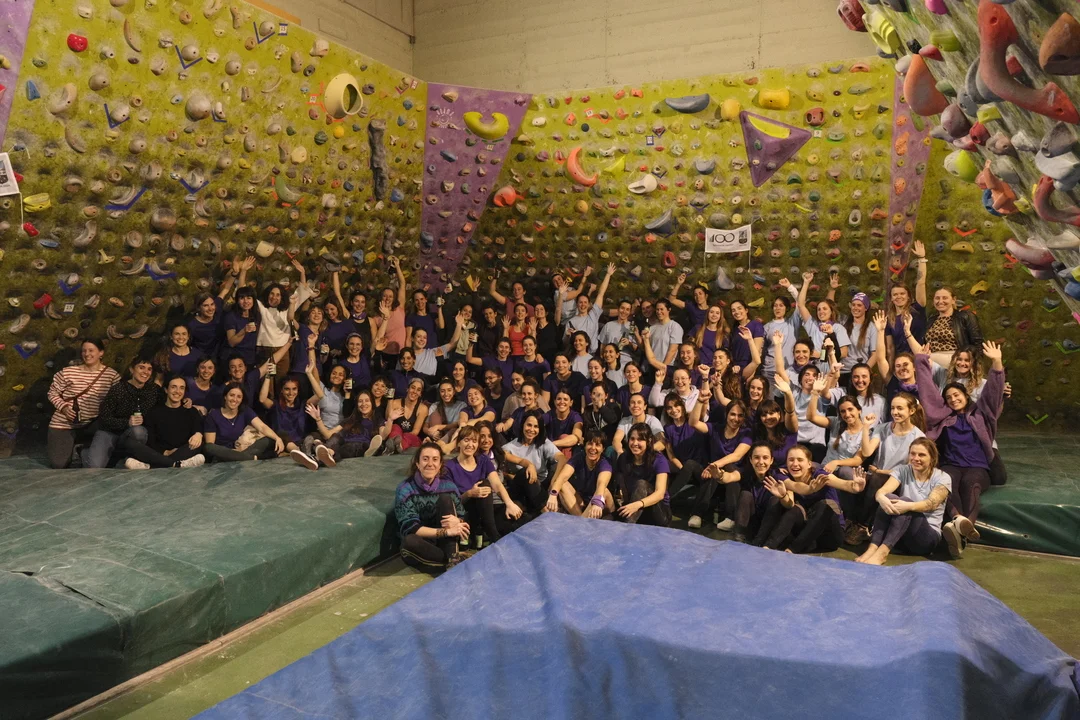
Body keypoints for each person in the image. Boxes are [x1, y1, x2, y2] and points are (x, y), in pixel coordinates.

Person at [916, 341, 1005, 559]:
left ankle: (960, 528)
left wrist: (997, 363)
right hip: (952, 464)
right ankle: (959, 523)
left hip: (977, 466)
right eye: (949, 398)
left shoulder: (981, 414)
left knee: (970, 484)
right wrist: (920, 360)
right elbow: (927, 392)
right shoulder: (943, 417)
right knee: (947, 482)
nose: (953, 399)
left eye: (957, 395)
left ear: (966, 396)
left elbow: (993, 394)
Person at [752, 444, 865, 553]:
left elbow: (842, 484)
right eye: (791, 460)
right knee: (794, 509)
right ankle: (767, 546)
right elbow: (795, 490)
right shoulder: (784, 476)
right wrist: (783, 496)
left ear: (809, 464)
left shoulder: (820, 475)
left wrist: (854, 486)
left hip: (829, 535)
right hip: (806, 533)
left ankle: (792, 550)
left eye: (800, 460)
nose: (795, 464)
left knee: (824, 505)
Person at [846, 394, 927, 545]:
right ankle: (848, 521)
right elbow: (867, 452)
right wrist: (865, 427)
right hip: (874, 474)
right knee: (847, 474)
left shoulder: (918, 437)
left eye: (900, 408)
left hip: (896, 481)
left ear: (911, 411)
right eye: (893, 408)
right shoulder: (882, 428)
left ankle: (862, 526)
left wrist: (880, 472)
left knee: (877, 479)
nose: (895, 412)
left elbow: (910, 469)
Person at [855, 439, 951, 565]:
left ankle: (882, 553)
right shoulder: (902, 470)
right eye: (913, 454)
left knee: (904, 502)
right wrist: (881, 498)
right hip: (900, 537)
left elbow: (931, 504)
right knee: (889, 497)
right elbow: (882, 491)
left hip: (926, 539)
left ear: (932, 458)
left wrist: (908, 506)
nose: (916, 458)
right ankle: (872, 549)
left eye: (921, 455)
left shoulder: (943, 477)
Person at [393, 443, 469, 573]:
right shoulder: (405, 489)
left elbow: (463, 519)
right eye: (425, 459)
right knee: (408, 542)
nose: (430, 464)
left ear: (440, 465)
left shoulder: (449, 487)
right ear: (417, 463)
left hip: (447, 542)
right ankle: (452, 560)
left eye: (435, 459)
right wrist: (446, 532)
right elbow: (411, 528)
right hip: (424, 544)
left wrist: (459, 521)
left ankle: (452, 560)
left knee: (445, 499)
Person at [46, 339, 121, 469]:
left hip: (93, 423)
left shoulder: (111, 375)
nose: (87, 354)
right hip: (65, 424)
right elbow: (52, 393)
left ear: (101, 353)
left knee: (110, 429)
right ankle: (71, 448)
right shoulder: (68, 372)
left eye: (91, 350)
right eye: (84, 351)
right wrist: (64, 408)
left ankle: (83, 450)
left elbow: (117, 399)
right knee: (58, 464)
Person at [444, 426, 522, 544]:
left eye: (474, 441)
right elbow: (450, 502)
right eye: (466, 440)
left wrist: (509, 504)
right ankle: (493, 536)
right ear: (459, 443)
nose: (470, 445)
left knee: (519, 517)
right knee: (484, 484)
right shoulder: (449, 467)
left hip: (485, 510)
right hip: (464, 512)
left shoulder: (483, 460)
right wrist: (469, 493)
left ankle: (486, 532)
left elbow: (497, 484)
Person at [687, 393, 751, 531]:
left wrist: (715, 465)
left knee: (726, 466)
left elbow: (737, 455)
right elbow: (693, 423)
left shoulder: (746, 433)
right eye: (733, 414)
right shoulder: (716, 428)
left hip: (735, 477)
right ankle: (697, 514)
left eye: (740, 416)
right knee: (710, 470)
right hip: (714, 476)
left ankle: (730, 518)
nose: (736, 419)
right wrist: (699, 401)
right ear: (726, 414)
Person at [88, 357, 163, 468]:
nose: (145, 372)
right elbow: (104, 418)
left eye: (149, 369)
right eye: (141, 367)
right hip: (109, 432)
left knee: (139, 431)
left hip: (133, 435)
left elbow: (166, 404)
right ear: (132, 369)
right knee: (94, 467)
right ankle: (85, 452)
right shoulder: (118, 389)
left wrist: (186, 401)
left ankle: (126, 459)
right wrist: (127, 422)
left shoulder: (154, 390)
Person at [123, 376, 206, 469]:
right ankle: (178, 464)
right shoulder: (154, 412)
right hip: (160, 452)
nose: (178, 391)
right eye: (173, 387)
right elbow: (151, 440)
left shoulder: (191, 411)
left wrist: (198, 434)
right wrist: (165, 452)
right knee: (130, 443)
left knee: (199, 444)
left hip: (182, 451)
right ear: (166, 390)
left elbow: (198, 428)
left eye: (181, 388)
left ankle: (151, 466)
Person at [256, 259, 313, 377]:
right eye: (272, 294)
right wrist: (243, 271)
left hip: (283, 350)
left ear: (282, 297)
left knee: (281, 379)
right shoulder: (262, 307)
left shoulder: (288, 308)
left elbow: (301, 290)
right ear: (267, 294)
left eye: (278, 295)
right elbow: (244, 293)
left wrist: (302, 273)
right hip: (264, 349)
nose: (274, 297)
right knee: (265, 381)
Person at [502, 410, 565, 515]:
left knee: (561, 474)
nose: (531, 430)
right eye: (529, 425)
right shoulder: (509, 447)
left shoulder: (543, 442)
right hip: (521, 491)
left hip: (541, 488)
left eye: (536, 426)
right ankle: (548, 513)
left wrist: (554, 482)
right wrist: (529, 465)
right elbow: (505, 467)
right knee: (526, 473)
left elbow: (562, 458)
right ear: (522, 425)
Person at [203, 384, 284, 462]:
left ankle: (243, 457)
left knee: (270, 439)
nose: (235, 399)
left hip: (243, 450)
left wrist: (277, 438)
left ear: (242, 399)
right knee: (209, 447)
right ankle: (249, 458)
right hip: (223, 454)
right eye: (232, 395)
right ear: (225, 396)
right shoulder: (213, 415)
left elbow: (262, 426)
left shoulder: (245, 411)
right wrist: (234, 452)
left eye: (239, 397)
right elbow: (211, 444)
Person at [613, 423, 672, 526]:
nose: (635, 443)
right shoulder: (624, 458)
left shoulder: (659, 460)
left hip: (658, 513)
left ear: (649, 441)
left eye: (640, 439)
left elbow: (660, 493)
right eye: (632, 439)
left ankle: (626, 528)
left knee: (641, 484)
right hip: (631, 508)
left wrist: (637, 504)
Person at [730, 443, 790, 544]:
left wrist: (810, 488)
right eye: (756, 458)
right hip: (751, 526)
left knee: (775, 499)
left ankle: (759, 542)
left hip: (769, 530)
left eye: (765, 458)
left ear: (771, 460)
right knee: (745, 495)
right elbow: (730, 477)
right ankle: (738, 540)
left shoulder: (778, 475)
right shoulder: (746, 473)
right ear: (751, 460)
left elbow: (793, 487)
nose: (761, 462)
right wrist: (720, 476)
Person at [549, 430, 615, 517]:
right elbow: (562, 477)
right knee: (562, 484)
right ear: (585, 446)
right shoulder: (579, 457)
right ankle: (581, 519)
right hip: (583, 503)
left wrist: (597, 501)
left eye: (597, 445)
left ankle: (580, 521)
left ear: (603, 449)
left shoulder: (605, 463)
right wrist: (553, 494)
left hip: (602, 505)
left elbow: (601, 484)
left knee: (604, 491)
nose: (593, 448)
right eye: (590, 444)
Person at [796, 271, 851, 372]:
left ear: (831, 311)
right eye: (819, 309)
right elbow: (801, 305)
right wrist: (806, 283)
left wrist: (821, 355)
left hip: (830, 371)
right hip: (813, 371)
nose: (821, 311)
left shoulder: (838, 328)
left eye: (825, 309)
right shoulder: (813, 326)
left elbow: (844, 353)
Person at [885, 239, 928, 359]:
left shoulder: (917, 309)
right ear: (891, 298)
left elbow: (921, 283)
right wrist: (891, 368)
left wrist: (922, 259)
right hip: (901, 363)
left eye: (902, 294)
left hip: (920, 359)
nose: (899, 297)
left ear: (908, 295)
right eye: (895, 295)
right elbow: (890, 348)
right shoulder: (889, 319)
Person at [559, 263, 615, 352]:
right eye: (580, 302)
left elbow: (601, 294)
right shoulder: (571, 322)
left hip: (592, 354)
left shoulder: (594, 315)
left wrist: (608, 275)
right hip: (577, 354)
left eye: (585, 302)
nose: (583, 305)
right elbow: (565, 343)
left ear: (589, 304)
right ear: (577, 304)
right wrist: (567, 335)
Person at [924, 287, 983, 369]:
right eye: (937, 298)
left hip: (956, 365)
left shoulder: (965, 316)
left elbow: (977, 343)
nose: (940, 301)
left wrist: (975, 366)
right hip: (931, 366)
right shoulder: (931, 320)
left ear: (953, 300)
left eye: (945, 298)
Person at [753, 377, 799, 469]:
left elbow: (790, 412)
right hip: (767, 472)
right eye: (764, 415)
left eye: (771, 413)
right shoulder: (758, 435)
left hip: (791, 471)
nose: (768, 417)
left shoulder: (788, 430)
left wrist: (788, 393)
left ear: (779, 414)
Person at [370, 256, 408, 357]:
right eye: (385, 296)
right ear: (380, 298)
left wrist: (397, 267)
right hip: (385, 353)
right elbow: (376, 339)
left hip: (401, 353)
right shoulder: (376, 319)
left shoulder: (399, 309)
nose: (387, 298)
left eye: (390, 296)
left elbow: (402, 285)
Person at [258, 374, 305, 454]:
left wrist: (310, 374)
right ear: (281, 390)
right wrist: (268, 376)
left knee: (314, 435)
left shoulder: (302, 405)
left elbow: (320, 396)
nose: (291, 393)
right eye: (287, 389)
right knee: (282, 434)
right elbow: (262, 399)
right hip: (282, 442)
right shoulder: (276, 405)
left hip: (301, 442)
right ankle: (299, 453)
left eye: (294, 389)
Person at [381, 378, 429, 455]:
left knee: (408, 436)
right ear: (407, 389)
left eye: (418, 390)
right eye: (413, 388)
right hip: (395, 435)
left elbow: (415, 431)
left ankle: (396, 446)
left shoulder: (423, 409)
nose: (414, 391)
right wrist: (390, 400)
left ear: (420, 394)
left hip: (411, 439)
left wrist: (401, 439)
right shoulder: (395, 403)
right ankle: (393, 447)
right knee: (395, 426)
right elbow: (388, 417)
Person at [763, 280, 802, 376]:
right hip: (770, 370)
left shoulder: (793, 323)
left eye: (781, 305)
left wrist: (789, 286)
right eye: (775, 306)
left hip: (789, 370)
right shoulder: (766, 327)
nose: (778, 308)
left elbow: (800, 302)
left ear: (787, 308)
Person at [224, 285, 261, 367]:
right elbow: (231, 343)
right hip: (235, 359)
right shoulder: (231, 317)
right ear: (237, 300)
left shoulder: (256, 315)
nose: (246, 301)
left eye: (249, 298)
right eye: (242, 298)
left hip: (251, 358)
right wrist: (244, 331)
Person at [597, 299, 640, 368]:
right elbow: (602, 347)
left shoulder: (633, 327)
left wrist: (629, 344)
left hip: (627, 364)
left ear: (630, 312)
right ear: (618, 309)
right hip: (610, 363)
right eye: (622, 308)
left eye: (627, 309)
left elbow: (638, 350)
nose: (624, 311)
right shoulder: (608, 325)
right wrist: (602, 363)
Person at [645, 300, 683, 373]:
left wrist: (663, 368)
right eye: (657, 309)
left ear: (669, 309)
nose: (659, 312)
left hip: (668, 367)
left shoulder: (675, 326)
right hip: (653, 367)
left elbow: (672, 350)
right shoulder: (652, 328)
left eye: (661, 309)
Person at [726, 299, 764, 370]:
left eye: (739, 308)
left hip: (750, 367)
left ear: (746, 310)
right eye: (733, 310)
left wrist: (752, 370)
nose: (736, 312)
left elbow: (757, 352)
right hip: (735, 368)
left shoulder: (756, 325)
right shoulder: (734, 330)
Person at [583, 381, 622, 447]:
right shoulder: (587, 410)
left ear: (606, 396)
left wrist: (601, 407)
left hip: (609, 444)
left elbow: (612, 420)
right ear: (590, 395)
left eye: (599, 394)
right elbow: (586, 430)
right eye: (594, 393)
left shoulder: (613, 406)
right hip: (593, 444)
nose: (596, 397)